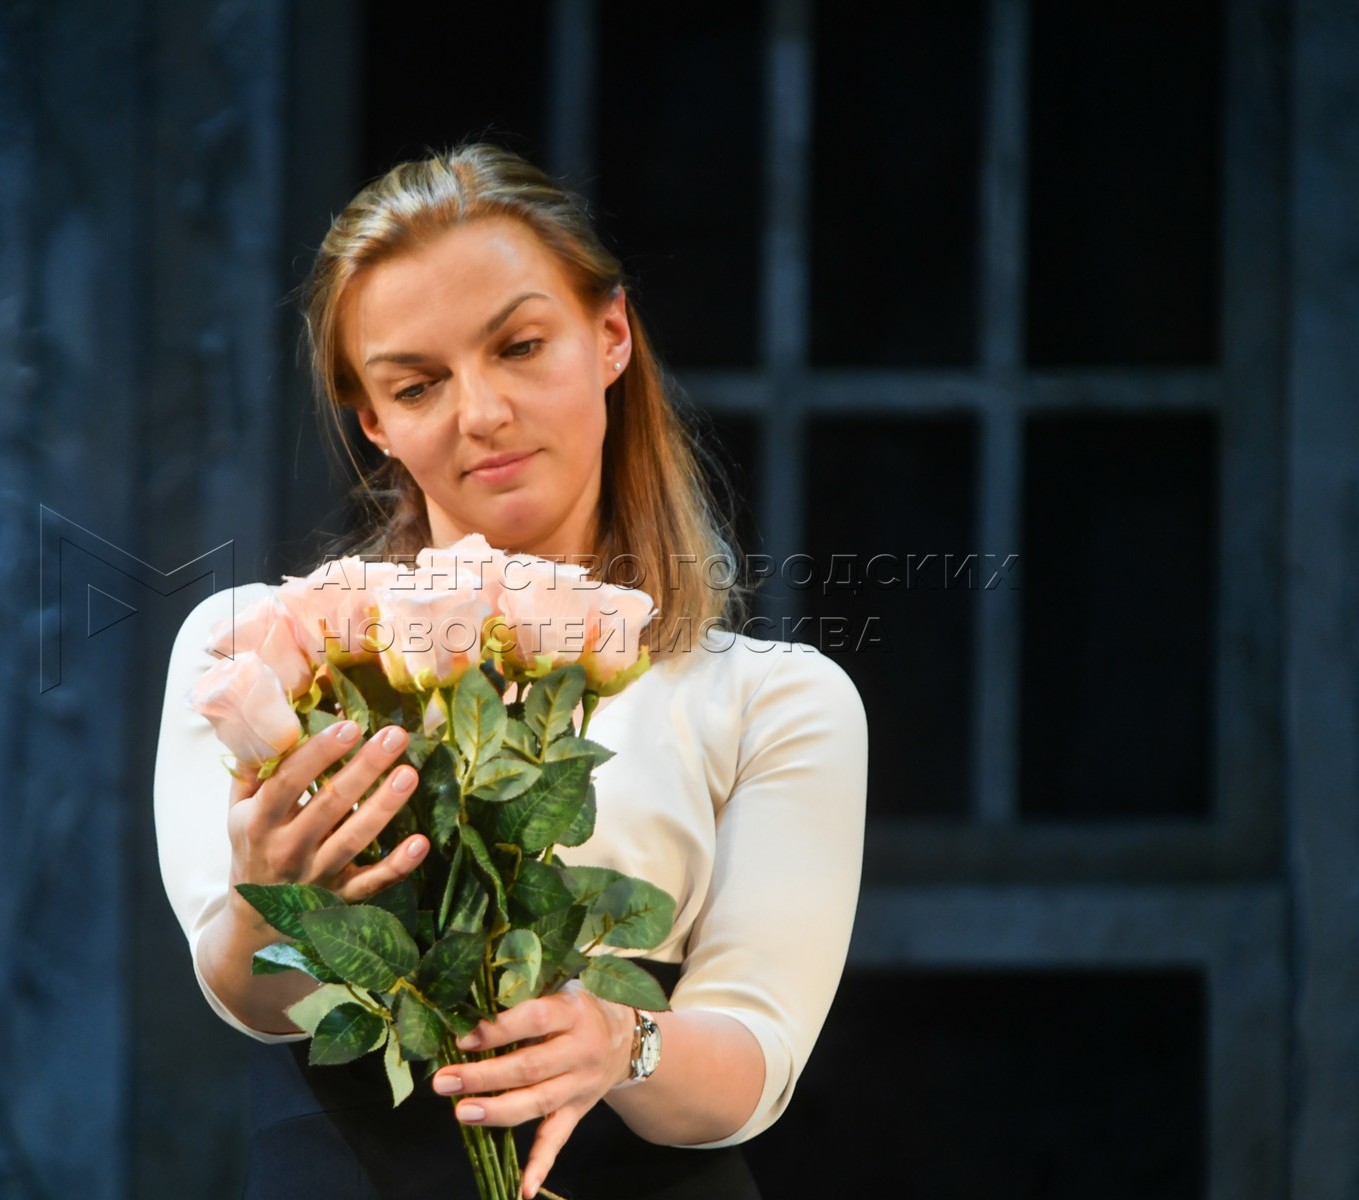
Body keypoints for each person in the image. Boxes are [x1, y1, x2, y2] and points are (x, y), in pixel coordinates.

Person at [153, 143, 867, 1199]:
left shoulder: (770, 698)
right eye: (418, 384)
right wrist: (273, 906)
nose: (481, 412)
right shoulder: (265, 652)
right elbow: (254, 999)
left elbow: (755, 1061)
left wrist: (622, 1041)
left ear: (611, 336)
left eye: (521, 347)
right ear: (376, 421)